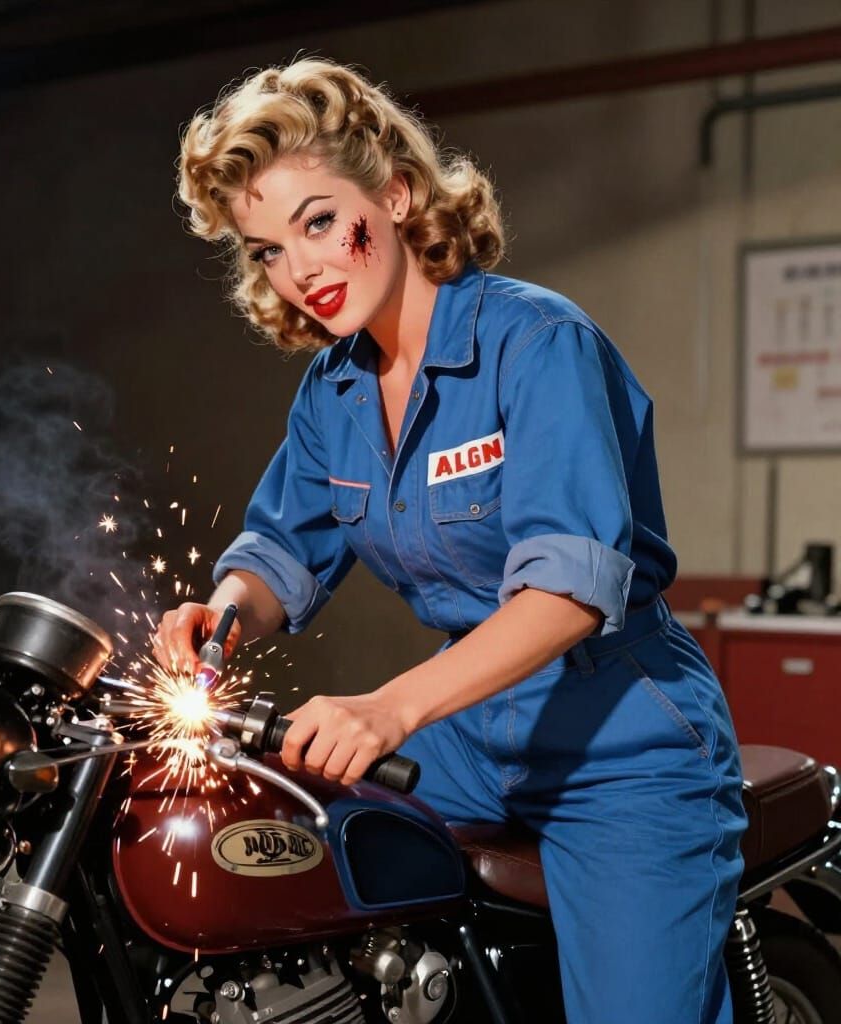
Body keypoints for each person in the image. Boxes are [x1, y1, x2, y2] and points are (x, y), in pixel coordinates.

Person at [159, 57, 746, 1024]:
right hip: (472, 731)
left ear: (394, 195)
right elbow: (279, 553)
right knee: (283, 848)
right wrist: (218, 618)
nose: (299, 269)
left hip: (620, 738)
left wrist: (388, 711)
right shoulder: (334, 390)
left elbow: (568, 591)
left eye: (316, 222)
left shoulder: (537, 343)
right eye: (264, 248)